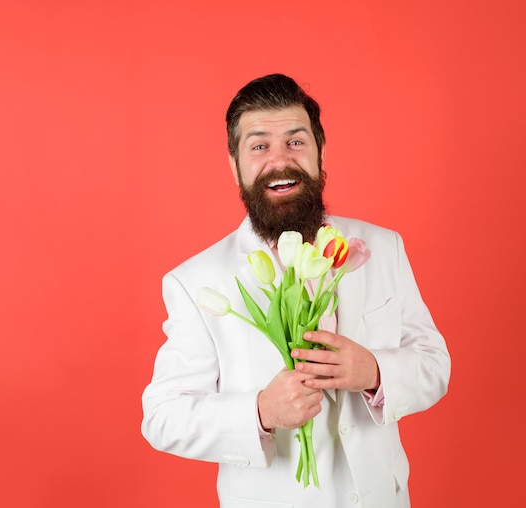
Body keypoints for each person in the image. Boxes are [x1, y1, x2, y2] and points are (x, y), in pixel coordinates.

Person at [141, 74, 450, 508]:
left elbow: (435, 364)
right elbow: (162, 417)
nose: (279, 160)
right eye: (259, 145)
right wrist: (262, 411)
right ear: (235, 166)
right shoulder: (195, 281)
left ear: (320, 154)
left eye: (296, 141)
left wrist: (376, 372)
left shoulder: (382, 248)